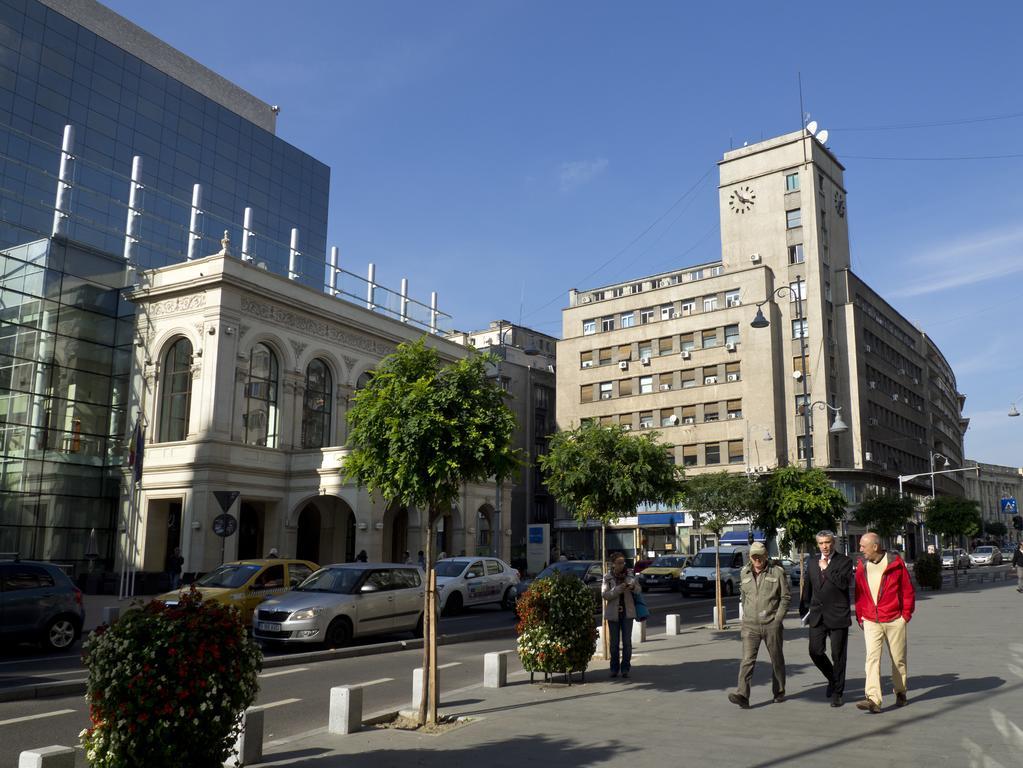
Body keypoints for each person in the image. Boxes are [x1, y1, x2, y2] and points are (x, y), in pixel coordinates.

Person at [854, 531, 916, 713]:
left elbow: (907, 591)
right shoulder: (861, 566)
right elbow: (858, 594)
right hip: (871, 620)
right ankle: (873, 699)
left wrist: (905, 615)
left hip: (895, 618)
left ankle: (900, 691)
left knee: (898, 659)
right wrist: (860, 616)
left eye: (863, 546)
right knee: (872, 659)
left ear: (875, 546)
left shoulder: (895, 563)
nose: (860, 550)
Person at [728, 541, 789, 709]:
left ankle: (779, 691)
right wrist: (745, 617)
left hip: (771, 624)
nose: (757, 560)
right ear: (750, 557)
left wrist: (778, 620)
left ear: (766, 556)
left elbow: (785, 598)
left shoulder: (777, 572)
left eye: (760, 556)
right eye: (754, 556)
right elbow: (743, 596)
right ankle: (743, 695)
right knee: (747, 660)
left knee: (776, 659)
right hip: (750, 626)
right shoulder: (744, 573)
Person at [799, 530, 853, 707]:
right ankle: (832, 677)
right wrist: (803, 610)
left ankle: (838, 692)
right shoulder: (813, 562)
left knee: (838, 655)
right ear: (818, 544)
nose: (825, 546)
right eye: (822, 543)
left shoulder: (844, 561)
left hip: (837, 615)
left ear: (834, 542)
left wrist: (827, 568)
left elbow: (844, 583)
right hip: (817, 615)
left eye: (828, 542)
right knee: (815, 651)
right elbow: (808, 586)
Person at [601, 551, 640, 679]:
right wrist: (618, 589)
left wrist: (633, 587)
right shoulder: (607, 577)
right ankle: (614, 668)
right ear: (613, 564)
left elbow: (639, 590)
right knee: (614, 643)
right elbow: (605, 595)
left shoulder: (630, 575)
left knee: (627, 643)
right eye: (619, 563)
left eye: (623, 562)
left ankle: (625, 669)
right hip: (613, 614)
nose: (622, 565)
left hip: (627, 613)